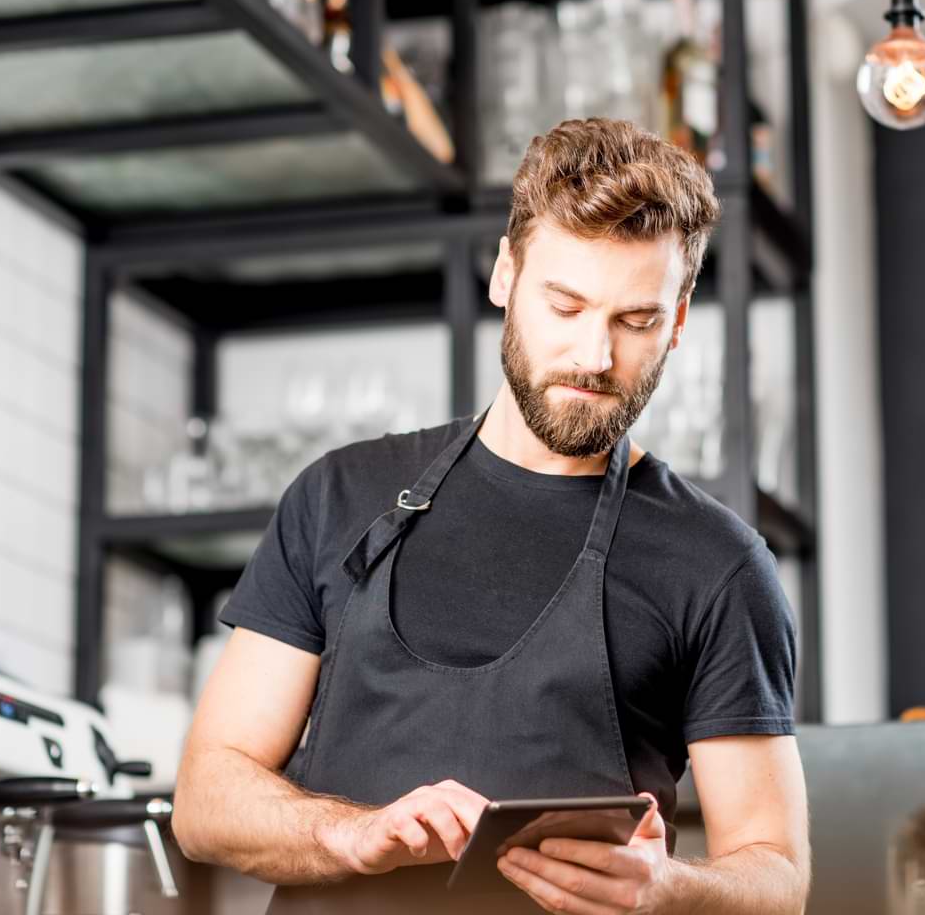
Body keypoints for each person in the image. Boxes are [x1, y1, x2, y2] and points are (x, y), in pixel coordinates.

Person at [172, 117, 810, 914]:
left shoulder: (717, 564)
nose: (594, 356)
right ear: (506, 276)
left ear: (678, 320)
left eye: (635, 321)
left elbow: (778, 874)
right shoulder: (340, 494)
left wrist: (669, 890)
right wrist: (348, 834)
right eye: (565, 306)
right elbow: (203, 801)